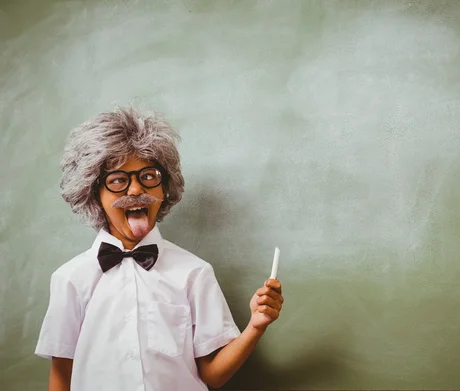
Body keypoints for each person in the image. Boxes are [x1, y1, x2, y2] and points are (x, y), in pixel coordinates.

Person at [35, 107, 284, 391]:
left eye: (148, 176)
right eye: (118, 180)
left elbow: (213, 375)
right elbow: (61, 376)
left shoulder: (195, 273)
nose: (134, 190)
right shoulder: (70, 279)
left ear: (164, 187)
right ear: (94, 193)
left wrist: (256, 325)